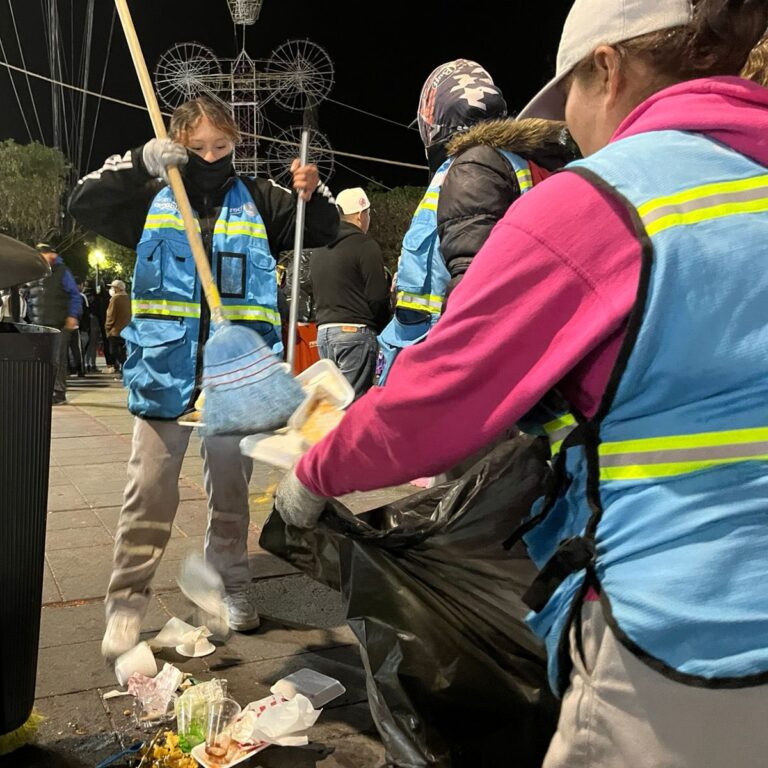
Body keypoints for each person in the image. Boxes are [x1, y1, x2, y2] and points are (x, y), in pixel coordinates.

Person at [277, 1, 768, 765]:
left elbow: (444, 394)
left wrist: (315, 473)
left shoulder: (605, 201)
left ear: (607, 69)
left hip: (681, 632)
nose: (563, 126)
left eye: (568, 94)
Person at [68, 94, 338, 658]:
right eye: (198, 147)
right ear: (178, 145)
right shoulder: (152, 196)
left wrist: (314, 192)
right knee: (147, 496)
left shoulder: (262, 198)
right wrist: (140, 162)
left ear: (236, 143)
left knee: (232, 499)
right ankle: (126, 605)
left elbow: (322, 228)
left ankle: (232, 587)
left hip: (235, 384)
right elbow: (83, 201)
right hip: (164, 375)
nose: (211, 156)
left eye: (221, 145)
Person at [377, 60, 573, 384]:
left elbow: (473, 291)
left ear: (433, 120)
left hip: (441, 365)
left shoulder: (473, 166)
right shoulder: (519, 163)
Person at [306, 187, 390, 397]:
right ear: (361, 215)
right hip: (355, 333)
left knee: (334, 403)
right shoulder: (365, 245)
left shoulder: (319, 248)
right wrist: (383, 326)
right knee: (353, 404)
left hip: (324, 334)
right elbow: (377, 297)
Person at [25, 243, 82, 404]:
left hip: (59, 323)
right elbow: (30, 297)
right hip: (39, 323)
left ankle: (58, 392)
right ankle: (43, 390)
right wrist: (32, 317)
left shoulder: (62, 272)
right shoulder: (34, 273)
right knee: (41, 358)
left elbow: (74, 295)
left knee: (58, 358)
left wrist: (72, 316)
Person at [105, 278, 131, 375]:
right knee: (123, 351)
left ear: (118, 288)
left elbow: (110, 315)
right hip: (127, 330)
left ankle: (122, 367)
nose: (112, 289)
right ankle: (124, 368)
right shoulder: (129, 298)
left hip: (115, 331)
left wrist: (107, 328)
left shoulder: (115, 299)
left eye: (113, 287)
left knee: (114, 351)